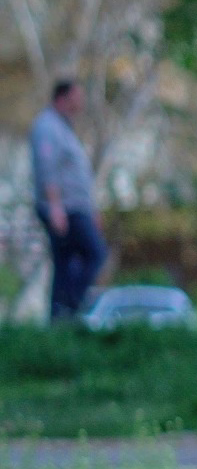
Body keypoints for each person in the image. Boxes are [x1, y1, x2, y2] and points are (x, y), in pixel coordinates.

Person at [31, 80, 105, 320]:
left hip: (76, 207)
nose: (81, 102)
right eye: (77, 97)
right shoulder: (47, 126)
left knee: (64, 264)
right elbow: (47, 169)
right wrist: (55, 207)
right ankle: (71, 306)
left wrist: (92, 210)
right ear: (63, 98)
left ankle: (59, 318)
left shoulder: (65, 129)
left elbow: (77, 175)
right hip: (65, 209)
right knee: (95, 252)